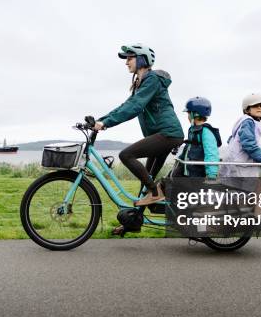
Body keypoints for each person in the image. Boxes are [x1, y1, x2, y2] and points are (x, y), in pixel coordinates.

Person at [94, 44, 184, 233]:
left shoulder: (152, 79)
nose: (126, 62)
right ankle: (132, 223)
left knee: (126, 155)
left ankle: (156, 192)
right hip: (162, 135)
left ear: (142, 59)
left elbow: (135, 106)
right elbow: (126, 105)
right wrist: (101, 120)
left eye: (130, 58)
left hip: (168, 134)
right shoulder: (141, 83)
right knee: (147, 181)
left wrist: (106, 123)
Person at [221, 93, 261, 231]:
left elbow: (232, 139)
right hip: (241, 164)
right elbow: (248, 144)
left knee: (256, 185)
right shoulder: (248, 122)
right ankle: (247, 217)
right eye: (255, 106)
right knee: (246, 191)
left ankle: (255, 213)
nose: (260, 108)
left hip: (237, 162)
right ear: (247, 109)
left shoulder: (245, 122)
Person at [175, 97, 221, 179]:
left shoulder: (206, 132)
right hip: (188, 172)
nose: (188, 116)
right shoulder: (193, 129)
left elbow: (211, 154)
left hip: (197, 175)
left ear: (195, 114)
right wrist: (179, 159)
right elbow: (189, 148)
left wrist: (211, 175)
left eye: (188, 113)